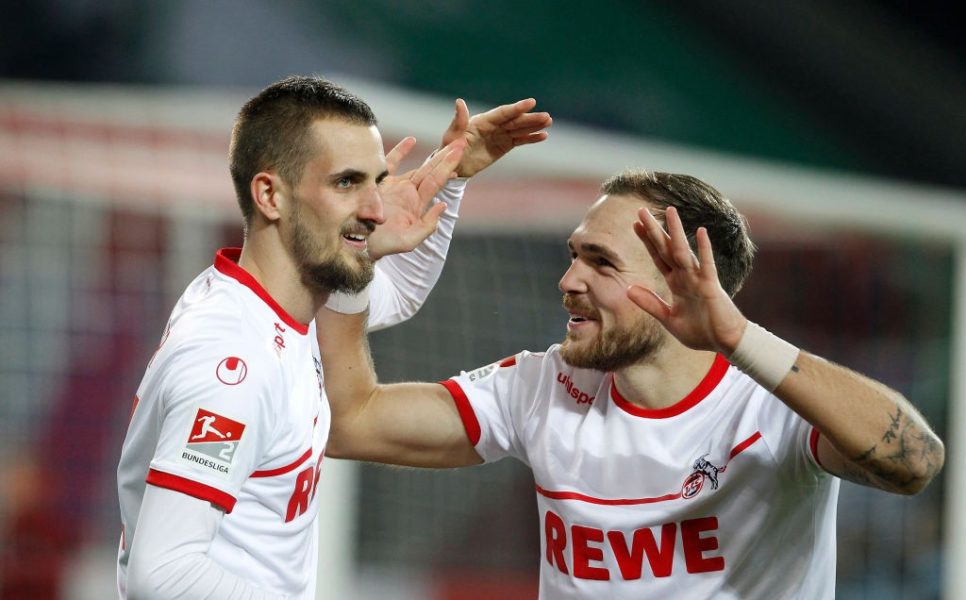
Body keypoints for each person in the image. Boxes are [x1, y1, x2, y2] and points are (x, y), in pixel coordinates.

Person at [316, 170, 945, 599]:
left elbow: (914, 461)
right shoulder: (544, 387)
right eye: (573, 254)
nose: (567, 280)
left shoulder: (770, 401)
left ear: (680, 284)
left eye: (601, 263)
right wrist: (353, 259)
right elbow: (350, 422)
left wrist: (739, 338)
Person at [115, 74, 552, 599]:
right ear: (270, 195)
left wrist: (451, 178)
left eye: (378, 180)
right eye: (347, 182)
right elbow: (162, 574)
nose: (375, 208)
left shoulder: (277, 305)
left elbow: (394, 297)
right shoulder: (234, 359)